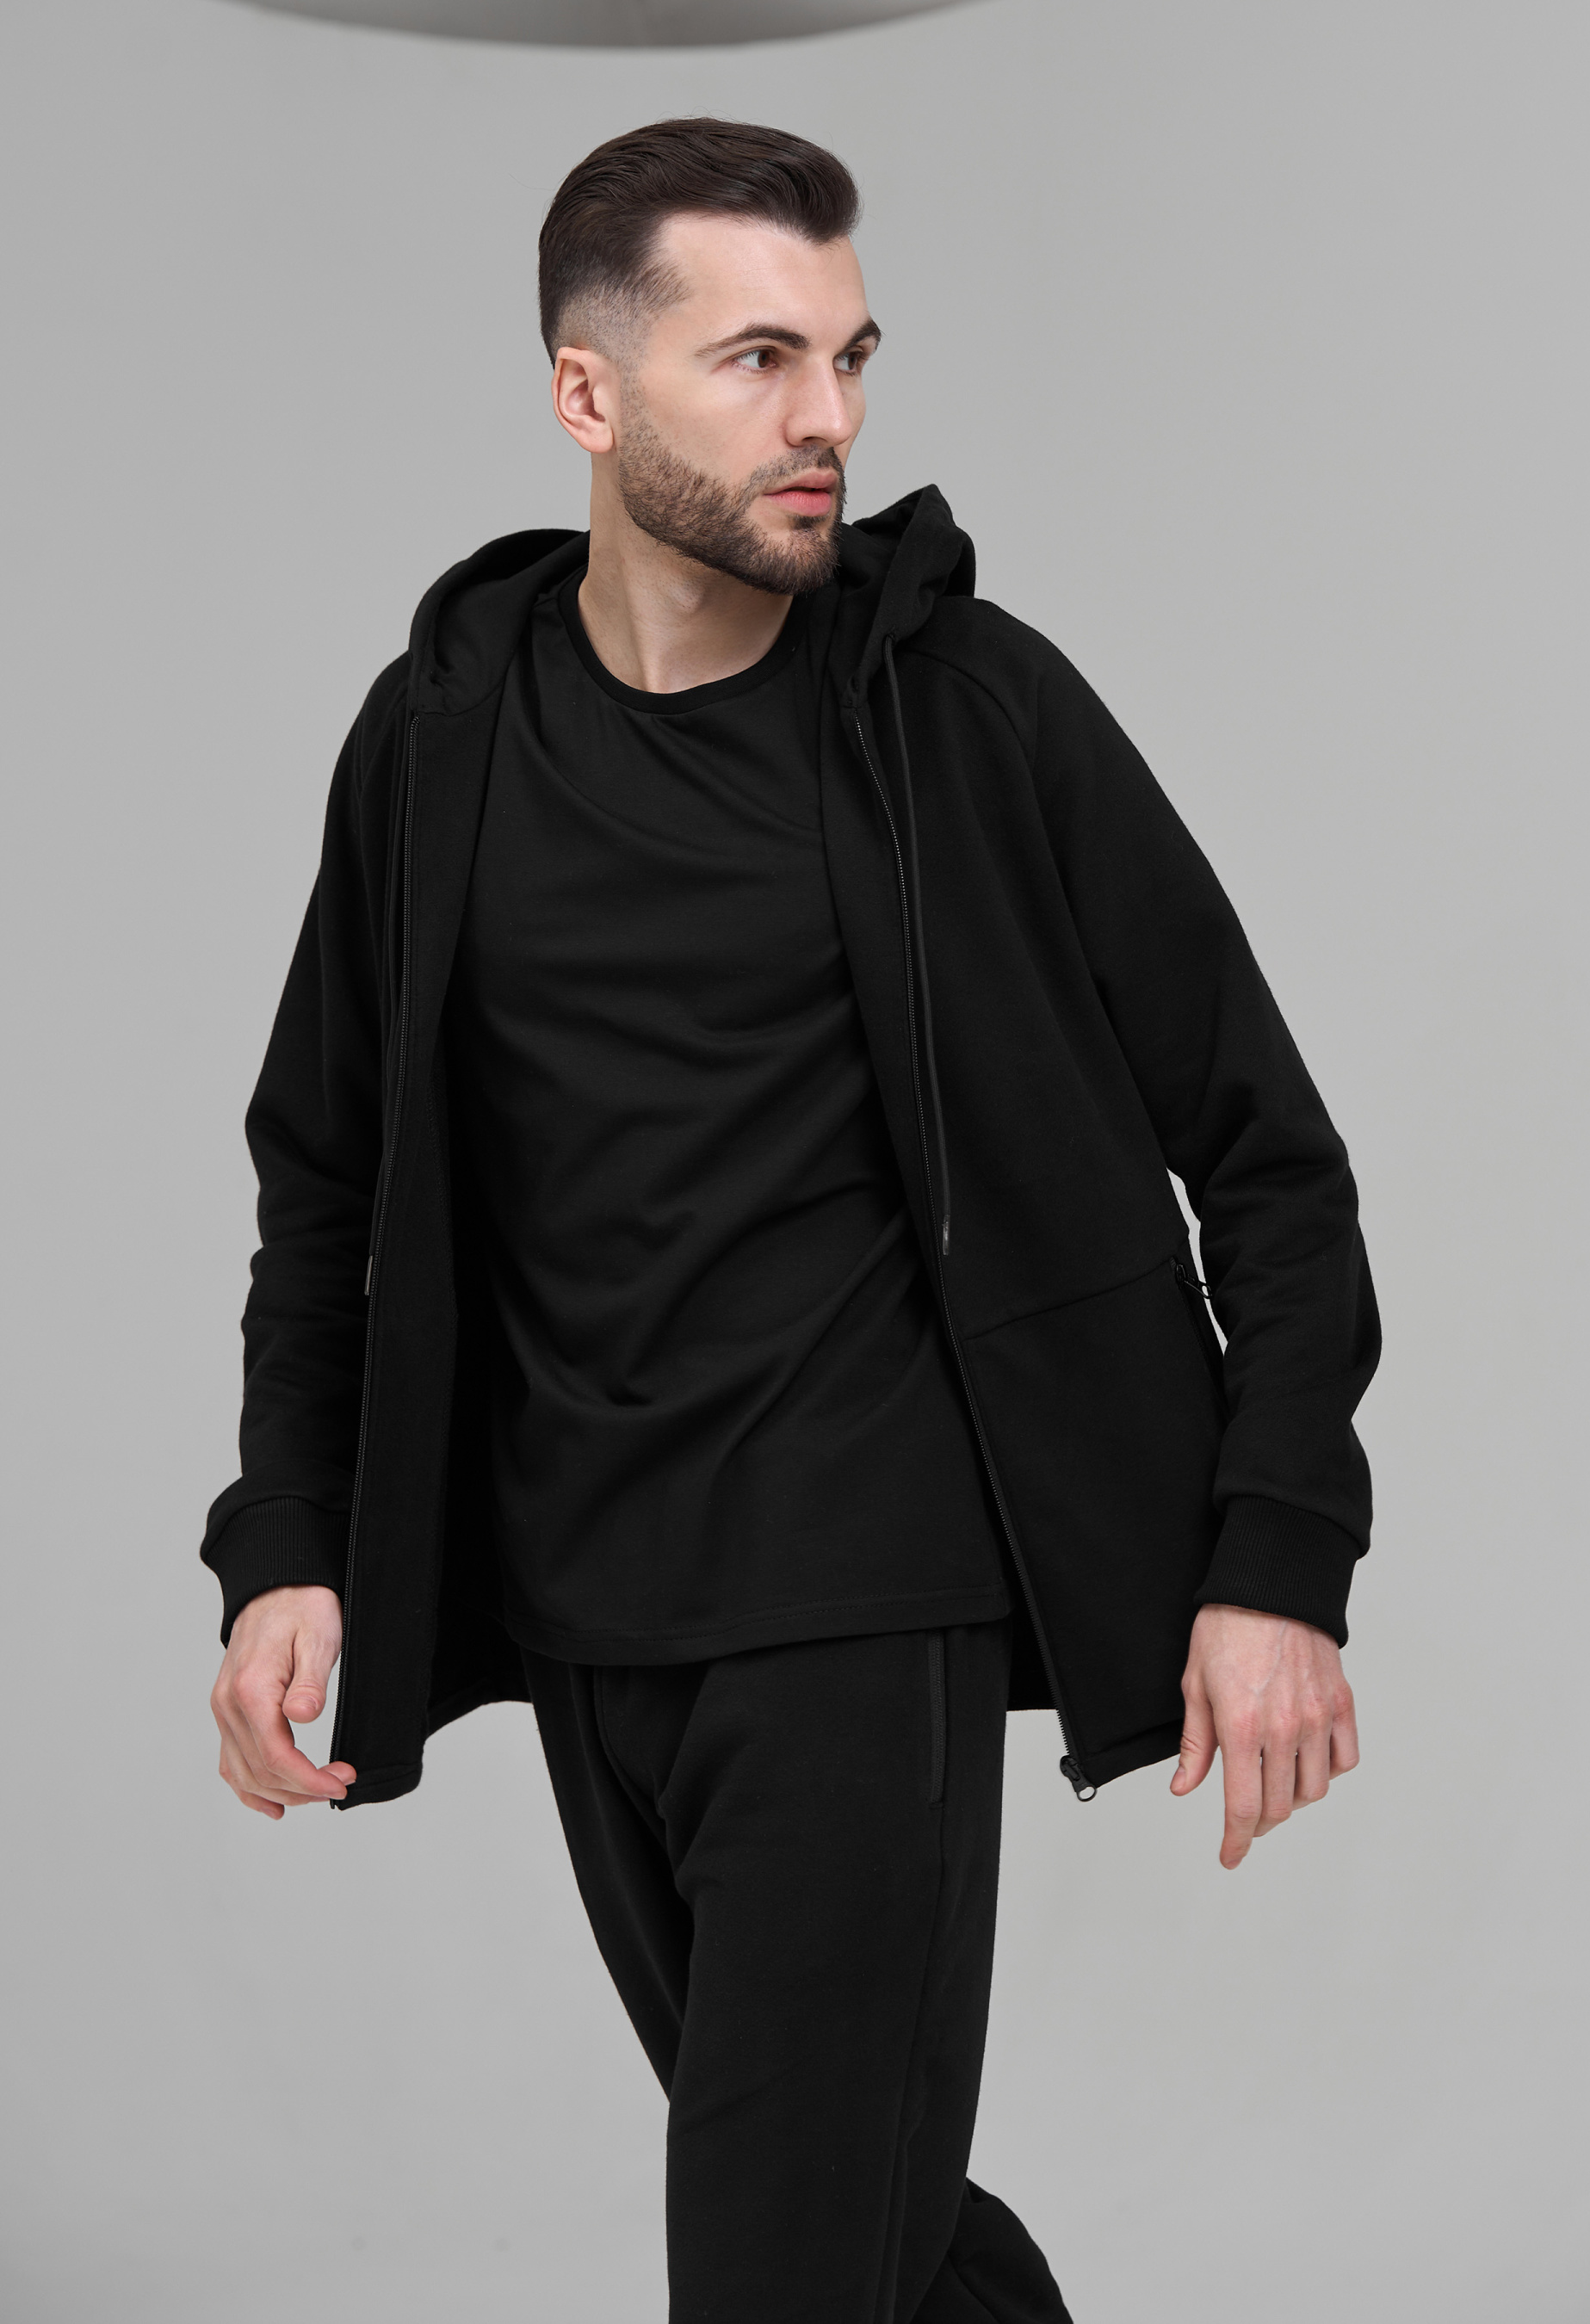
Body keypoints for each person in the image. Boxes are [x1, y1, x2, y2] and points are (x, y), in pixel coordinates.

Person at [201, 117, 1379, 2324]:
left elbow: (1265, 1154)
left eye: (847, 356)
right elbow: (324, 1176)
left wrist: (1275, 1555)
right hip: (582, 1612)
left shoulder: (966, 713)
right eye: (755, 359)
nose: (824, 415)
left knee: (778, 2258)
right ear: (586, 393)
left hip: (864, 1598)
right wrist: (285, 1539)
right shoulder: (442, 736)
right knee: (871, 2236)